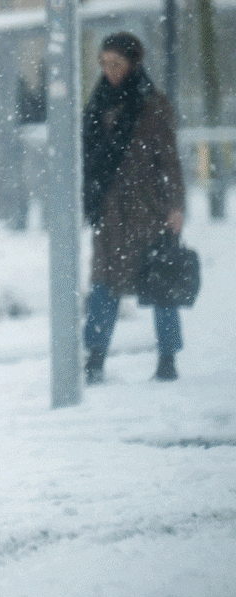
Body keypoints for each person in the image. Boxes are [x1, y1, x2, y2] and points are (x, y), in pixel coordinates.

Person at [81, 32, 186, 384]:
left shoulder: (152, 104)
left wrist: (175, 206)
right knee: (103, 285)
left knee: (161, 281)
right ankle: (95, 358)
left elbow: (170, 160)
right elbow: (89, 161)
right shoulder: (97, 104)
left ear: (133, 65)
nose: (110, 71)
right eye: (105, 64)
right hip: (110, 213)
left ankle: (168, 359)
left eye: (117, 64)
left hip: (147, 209)